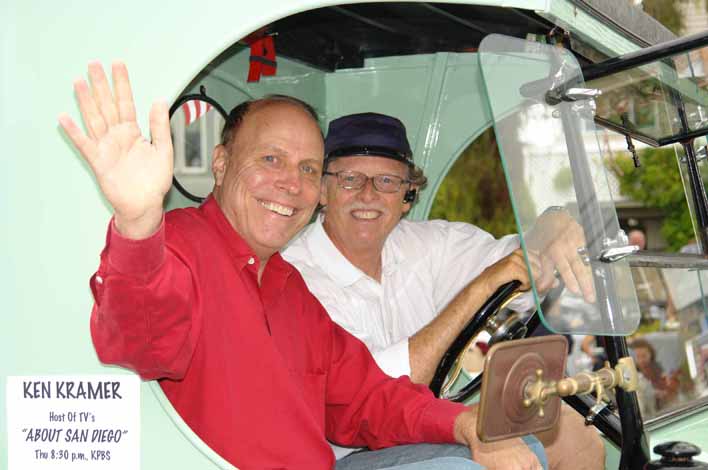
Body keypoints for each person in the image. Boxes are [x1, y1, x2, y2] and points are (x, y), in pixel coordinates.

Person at [59, 63, 545, 470]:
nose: (291, 184)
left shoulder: (289, 286)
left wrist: (464, 424)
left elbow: (362, 399)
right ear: (221, 164)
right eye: (271, 159)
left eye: (308, 169)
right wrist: (139, 221)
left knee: (512, 448)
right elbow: (143, 343)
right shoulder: (182, 245)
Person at [284, 112, 605, 470]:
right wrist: (479, 289)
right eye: (350, 179)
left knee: (572, 434)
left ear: (407, 196)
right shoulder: (294, 276)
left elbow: (520, 261)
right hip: (341, 454)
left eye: (387, 181)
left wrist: (552, 225)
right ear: (322, 191)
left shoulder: (428, 244)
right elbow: (374, 401)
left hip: (428, 424)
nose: (368, 194)